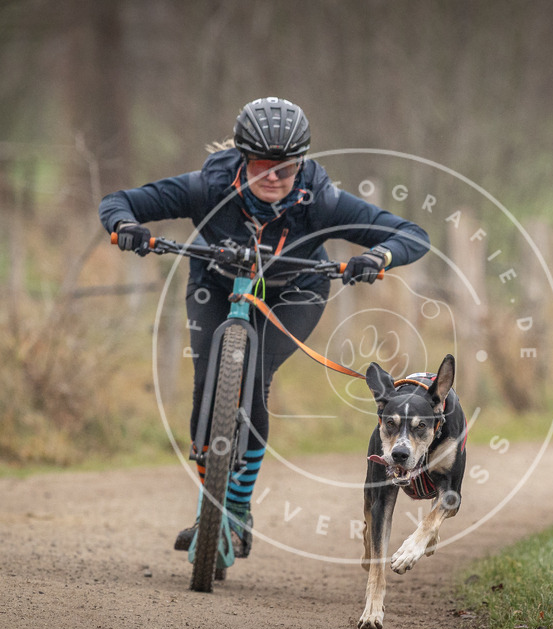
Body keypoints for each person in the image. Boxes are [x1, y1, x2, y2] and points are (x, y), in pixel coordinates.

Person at [99, 96, 430, 558]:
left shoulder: (322, 200)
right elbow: (118, 202)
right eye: (260, 165)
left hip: (297, 290)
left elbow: (413, 235)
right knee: (207, 380)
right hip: (215, 283)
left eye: (286, 167)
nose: (273, 176)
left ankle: (237, 508)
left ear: (302, 163)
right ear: (242, 159)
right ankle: (209, 510)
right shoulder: (207, 187)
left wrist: (378, 256)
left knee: (254, 375)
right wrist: (125, 225)